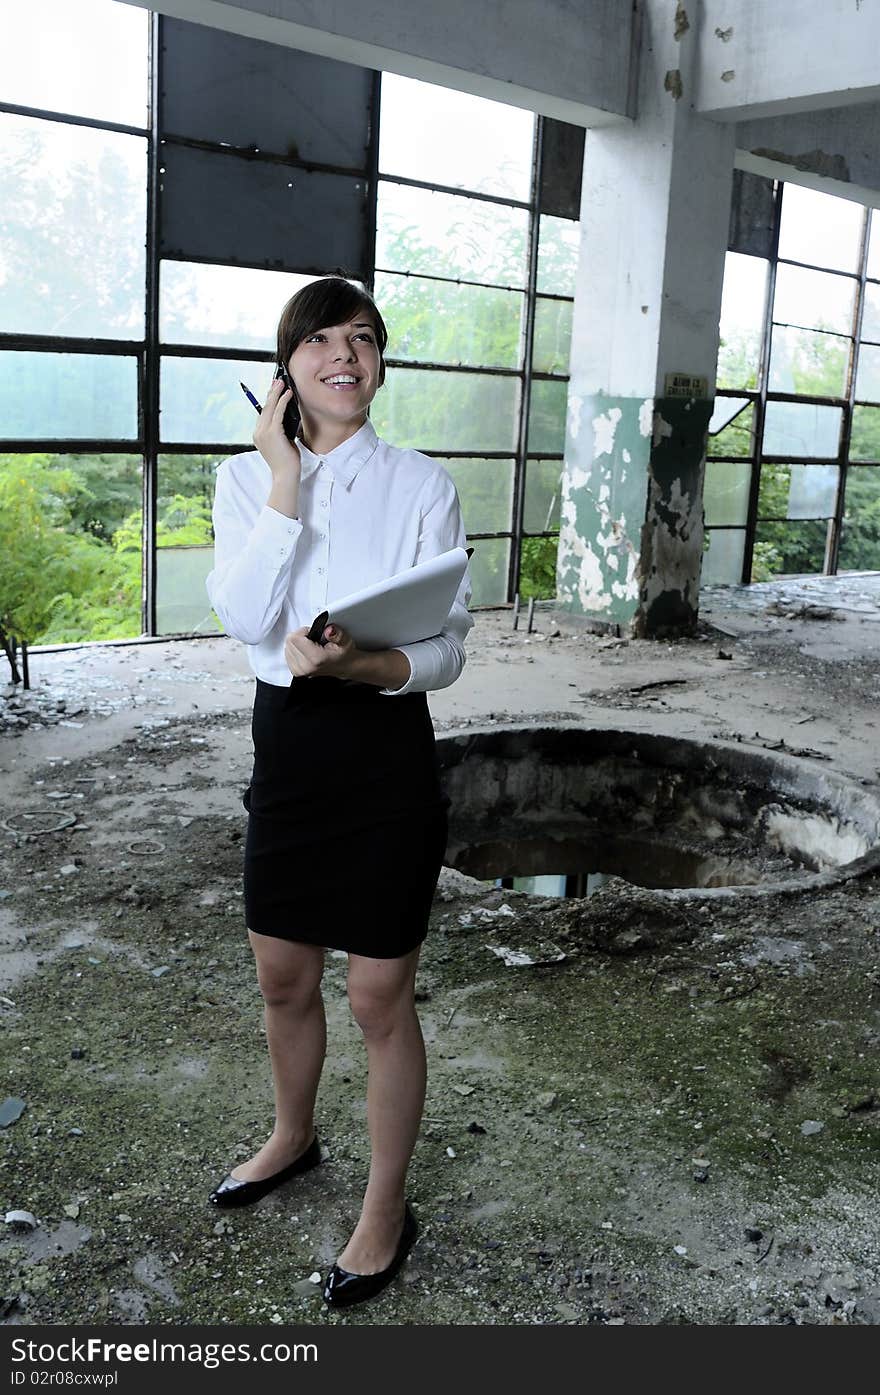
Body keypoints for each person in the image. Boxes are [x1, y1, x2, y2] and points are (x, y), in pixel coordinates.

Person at [204, 275, 473, 1309]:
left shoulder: (420, 483)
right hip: (291, 746)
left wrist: (359, 666)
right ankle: (292, 1134)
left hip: (383, 745)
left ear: (379, 363)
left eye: (363, 338)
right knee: (281, 972)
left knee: (375, 992)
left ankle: (386, 1202)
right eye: (321, 341)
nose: (346, 355)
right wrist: (283, 477)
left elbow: (444, 652)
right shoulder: (244, 479)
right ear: (287, 372)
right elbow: (243, 617)